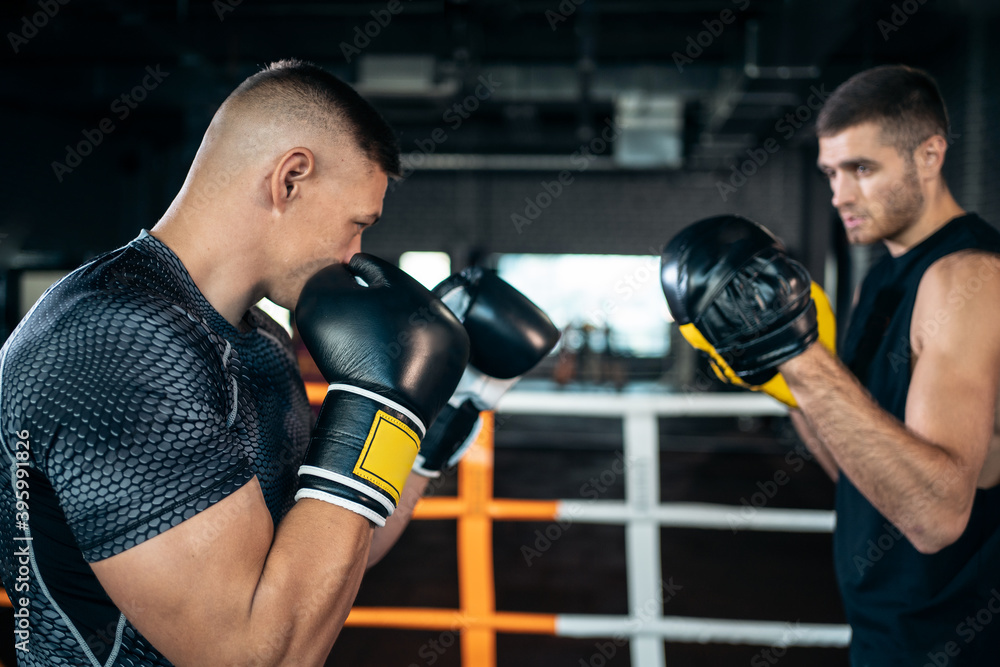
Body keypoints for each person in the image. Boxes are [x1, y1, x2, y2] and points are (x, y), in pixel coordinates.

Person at [0, 59, 556, 666]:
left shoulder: (259, 337)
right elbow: (253, 656)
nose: (355, 254)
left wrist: (449, 410)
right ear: (290, 179)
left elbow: (325, 554)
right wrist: (376, 408)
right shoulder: (115, 341)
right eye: (357, 225)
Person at [662, 65, 1000, 665]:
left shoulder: (967, 278)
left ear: (930, 154)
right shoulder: (881, 281)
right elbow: (865, 476)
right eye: (831, 173)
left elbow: (934, 514)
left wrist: (801, 354)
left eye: (862, 169)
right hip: (883, 636)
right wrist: (788, 382)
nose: (840, 194)